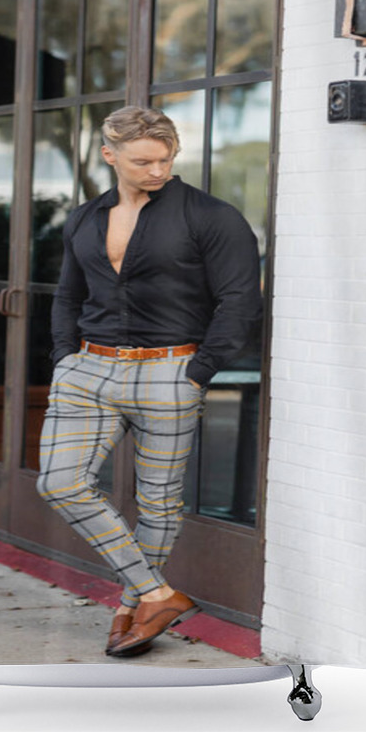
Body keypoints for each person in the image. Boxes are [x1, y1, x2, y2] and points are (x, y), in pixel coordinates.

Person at [37, 106, 262, 657]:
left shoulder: (212, 216)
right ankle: (157, 593)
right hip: (88, 367)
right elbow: (68, 294)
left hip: (171, 369)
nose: (157, 170)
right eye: (143, 161)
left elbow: (240, 300)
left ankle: (130, 606)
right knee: (59, 482)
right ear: (110, 155)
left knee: (159, 501)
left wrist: (199, 371)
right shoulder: (86, 218)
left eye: (165, 159)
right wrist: (66, 356)